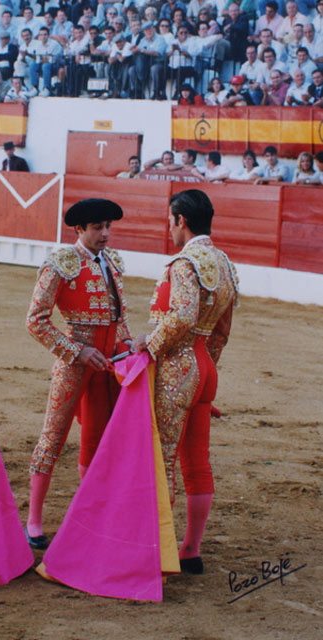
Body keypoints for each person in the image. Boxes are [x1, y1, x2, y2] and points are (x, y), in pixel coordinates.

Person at [133, 189, 238, 574]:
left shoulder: (184, 263)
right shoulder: (224, 263)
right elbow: (222, 329)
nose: (169, 227)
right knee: (197, 461)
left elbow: (180, 317)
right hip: (206, 367)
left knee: (162, 460)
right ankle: (190, 549)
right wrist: (206, 369)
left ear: (181, 221)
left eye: (169, 219)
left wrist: (151, 347)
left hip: (179, 368)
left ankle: (155, 550)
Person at [25, 198, 132, 548]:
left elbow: (121, 317)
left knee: (97, 441)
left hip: (108, 363)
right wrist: (76, 351)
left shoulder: (114, 262)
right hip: (76, 361)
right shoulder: (61, 263)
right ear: (79, 230)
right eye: (98, 228)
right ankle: (34, 522)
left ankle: (88, 513)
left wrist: (127, 348)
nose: (105, 234)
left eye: (108, 227)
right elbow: (36, 321)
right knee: (53, 436)